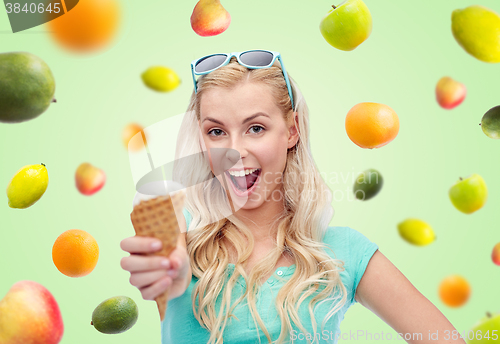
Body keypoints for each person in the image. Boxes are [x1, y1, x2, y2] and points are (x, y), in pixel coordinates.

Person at [120, 50, 465, 344]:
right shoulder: (179, 229)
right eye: (216, 132)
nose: (234, 151)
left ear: (292, 130)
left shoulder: (343, 252)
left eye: (255, 128)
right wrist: (170, 271)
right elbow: (167, 264)